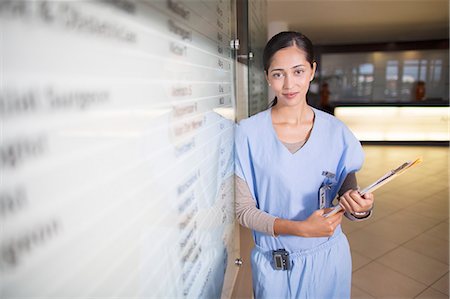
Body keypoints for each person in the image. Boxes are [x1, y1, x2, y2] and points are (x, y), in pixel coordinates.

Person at [234, 31, 375, 299]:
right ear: (267, 76)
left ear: (312, 70)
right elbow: (243, 211)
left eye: (298, 71)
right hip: (275, 264)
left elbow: (347, 191)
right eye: (278, 74)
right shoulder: (248, 134)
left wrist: (359, 208)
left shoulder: (336, 132)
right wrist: (299, 228)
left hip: (328, 260)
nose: (289, 84)